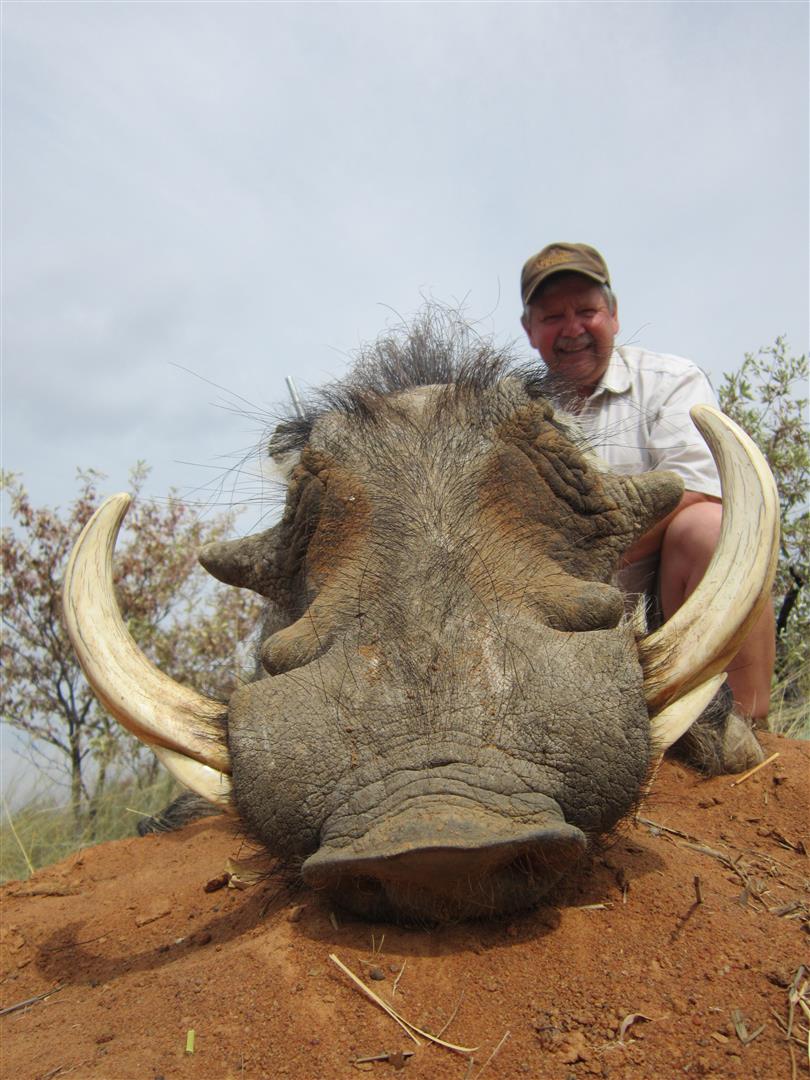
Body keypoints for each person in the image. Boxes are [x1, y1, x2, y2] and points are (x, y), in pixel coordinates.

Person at [519, 242, 775, 727]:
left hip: (658, 604)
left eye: (586, 311)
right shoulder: (515, 411)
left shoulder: (670, 382)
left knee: (709, 527)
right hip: (554, 621)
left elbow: (700, 489)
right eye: (552, 317)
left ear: (613, 315)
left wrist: (591, 560)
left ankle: (746, 725)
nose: (572, 329)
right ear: (530, 330)